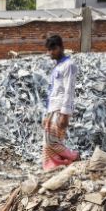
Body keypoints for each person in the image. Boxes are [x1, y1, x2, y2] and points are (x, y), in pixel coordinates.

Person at [41, 35, 80, 171]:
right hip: (53, 109)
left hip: (60, 110)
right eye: (49, 50)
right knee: (48, 142)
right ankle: (54, 165)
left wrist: (65, 113)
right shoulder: (58, 66)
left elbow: (68, 90)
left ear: (61, 48)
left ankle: (74, 156)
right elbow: (53, 91)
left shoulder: (69, 65)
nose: (51, 52)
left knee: (52, 141)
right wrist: (47, 113)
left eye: (54, 49)